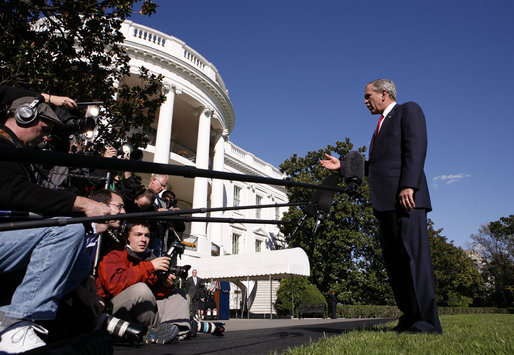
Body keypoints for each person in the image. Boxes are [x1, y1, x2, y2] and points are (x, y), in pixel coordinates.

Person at [320, 79, 442, 334]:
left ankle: (427, 323)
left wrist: (410, 185)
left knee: (413, 260)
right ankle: (410, 317)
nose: (365, 101)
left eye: (368, 96)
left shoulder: (408, 110)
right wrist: (343, 166)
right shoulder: (378, 128)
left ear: (383, 94)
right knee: (395, 264)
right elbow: (378, 166)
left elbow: (416, 148)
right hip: (385, 204)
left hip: (407, 198)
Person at [0, 96, 112, 353]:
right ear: (24, 116)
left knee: (80, 261)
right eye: (44, 129)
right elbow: (15, 192)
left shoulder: (18, 154)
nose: (46, 137)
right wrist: (81, 203)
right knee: (67, 231)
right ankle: (16, 323)